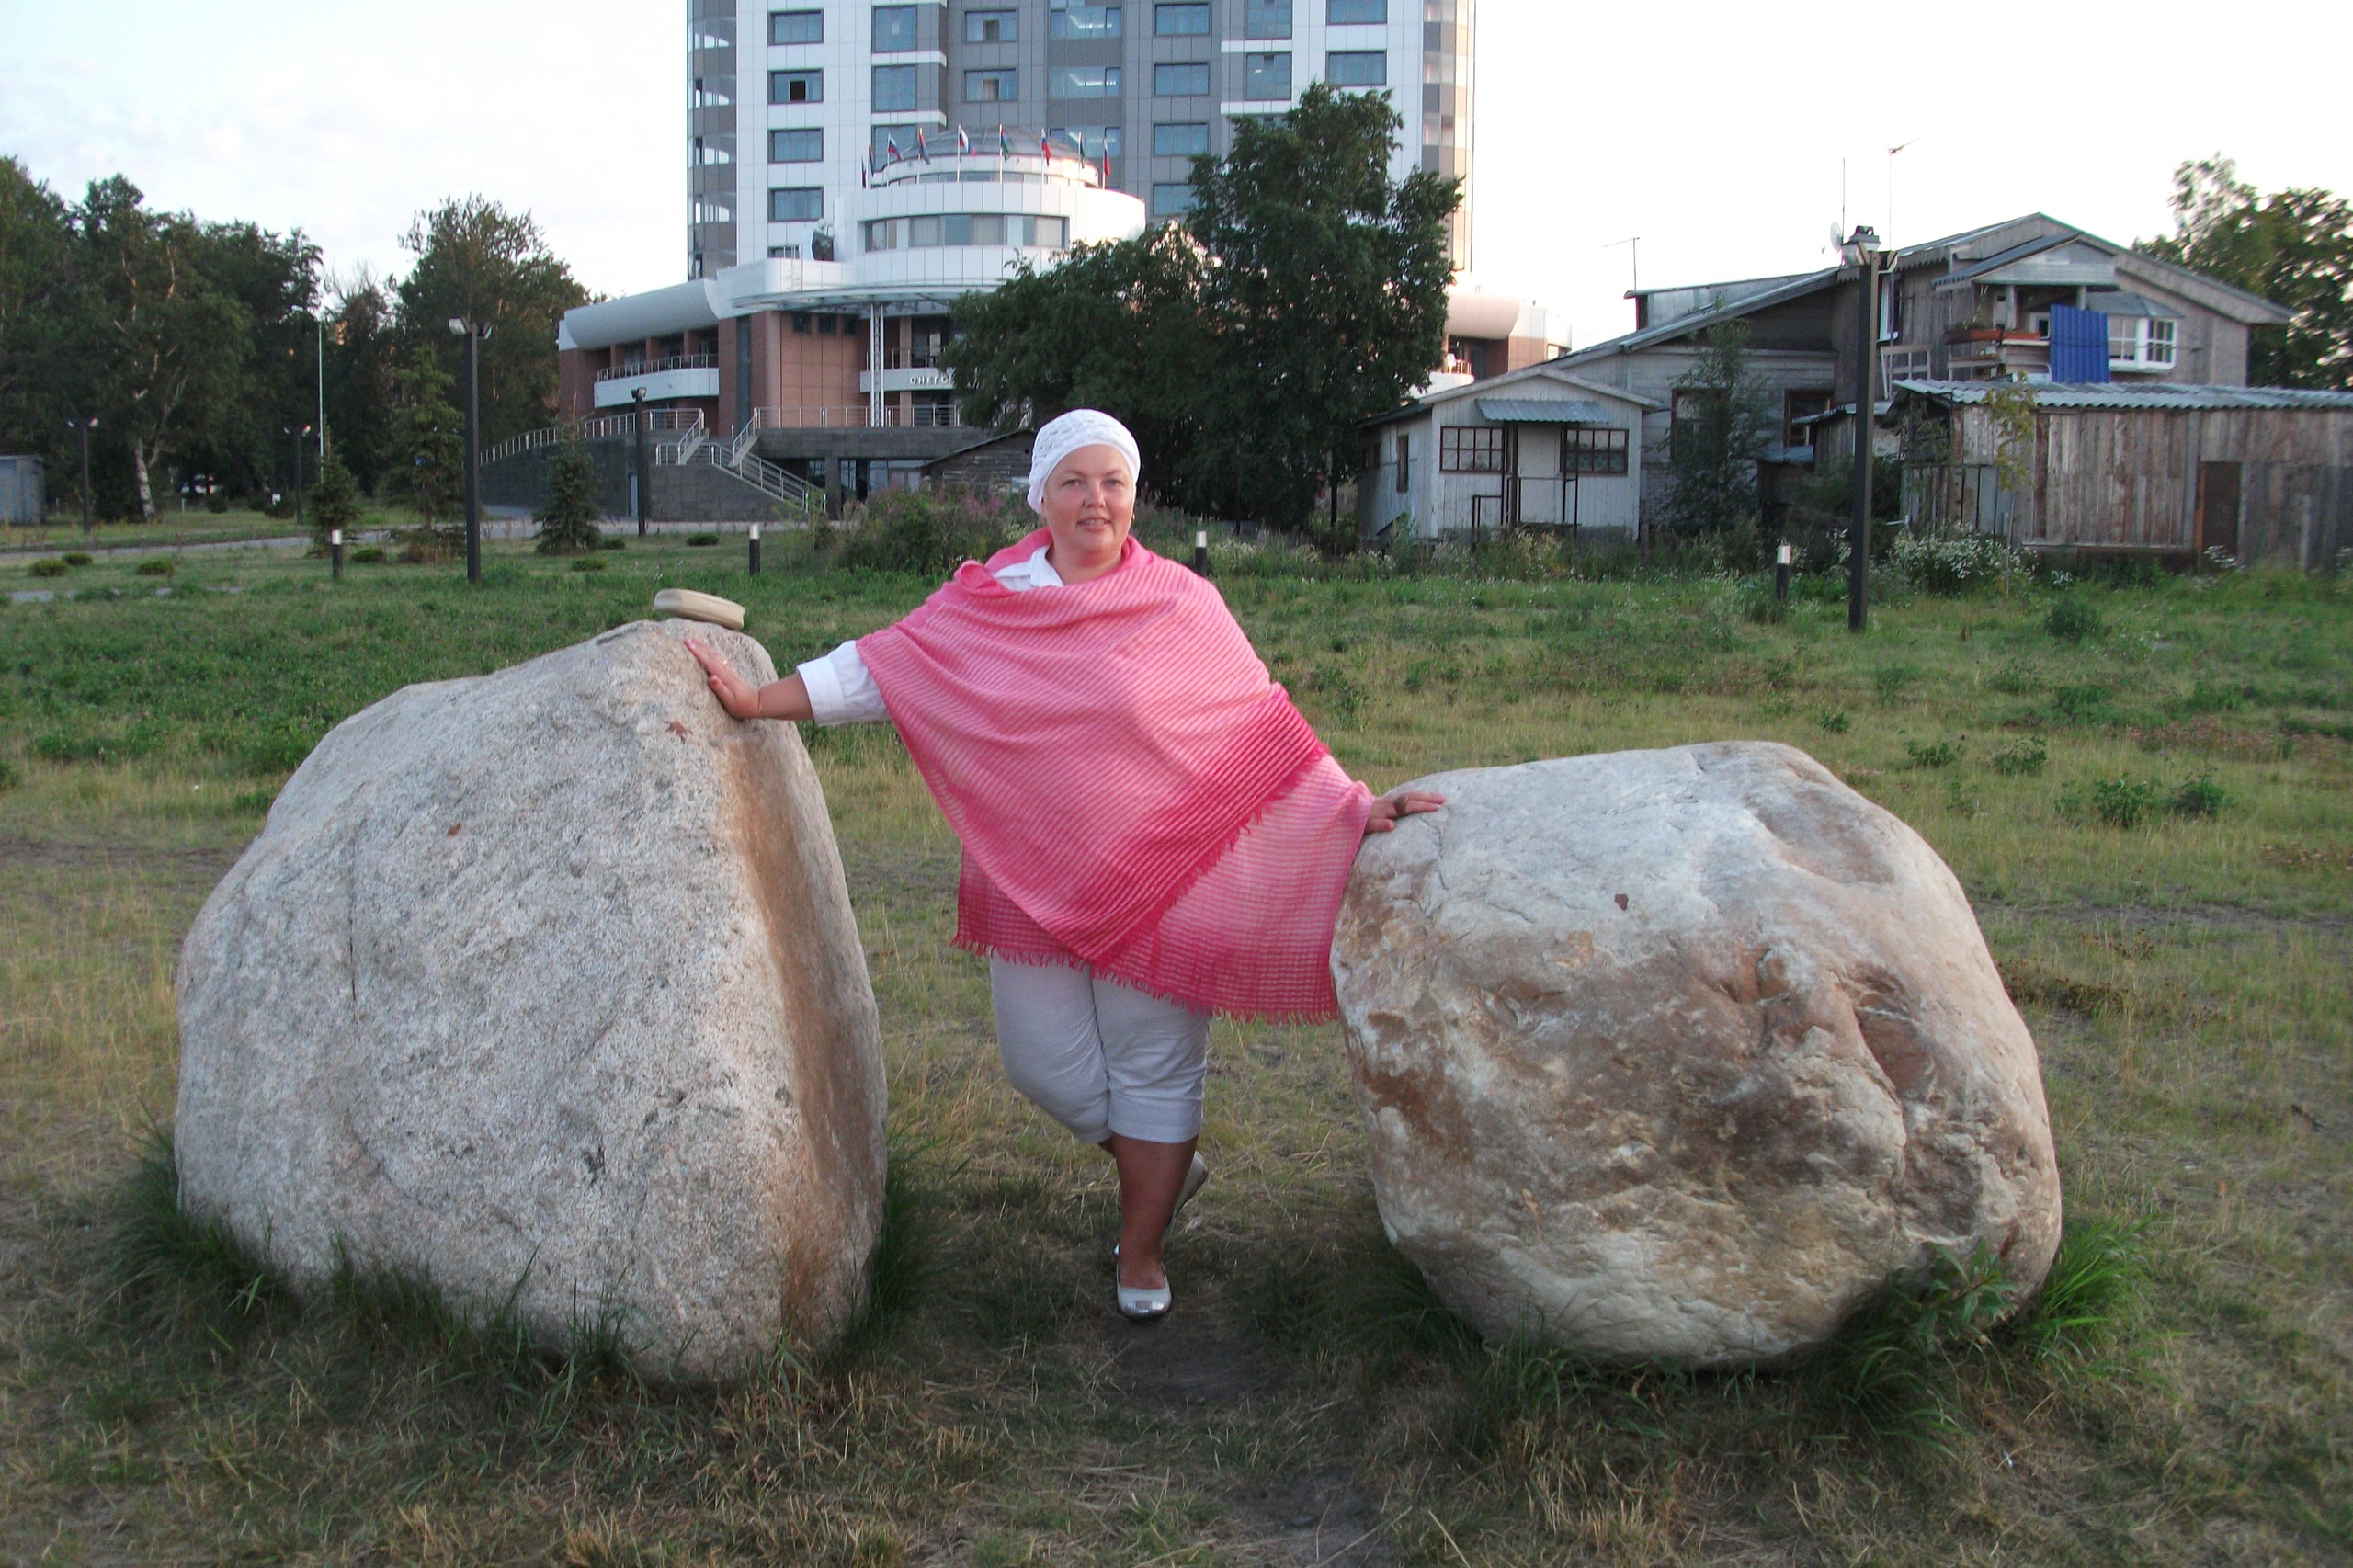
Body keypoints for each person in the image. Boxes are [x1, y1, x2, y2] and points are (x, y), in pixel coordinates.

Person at [686, 409, 1441, 1322]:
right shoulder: (989, 600)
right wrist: (757, 700)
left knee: (1154, 1067)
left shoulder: (1181, 602)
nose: (1095, 500)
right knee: (1044, 1065)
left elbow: (1257, 720)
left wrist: (1352, 804)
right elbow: (884, 668)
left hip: (1167, 874)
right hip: (1028, 875)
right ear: (1039, 497)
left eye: (1112, 482)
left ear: (1135, 498)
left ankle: (1143, 1247)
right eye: (1074, 482)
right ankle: (1159, 1169)